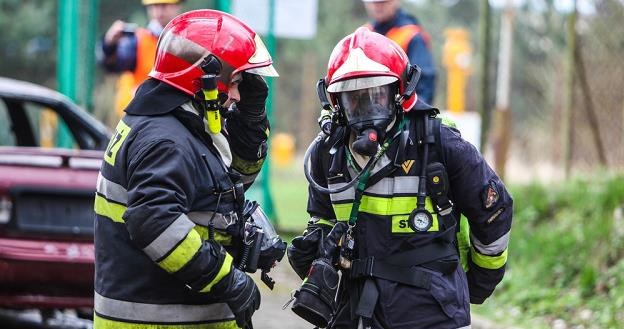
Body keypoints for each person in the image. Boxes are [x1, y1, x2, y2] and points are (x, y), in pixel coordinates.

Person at [287, 27, 512, 329]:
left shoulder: (440, 143)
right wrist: (314, 253)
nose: (366, 109)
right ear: (335, 103)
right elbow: (325, 220)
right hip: (356, 312)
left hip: (432, 312)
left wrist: (478, 285)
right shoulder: (327, 154)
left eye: (375, 95)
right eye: (355, 99)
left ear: (399, 92)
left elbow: (494, 214)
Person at [93, 9, 281, 329]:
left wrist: (249, 125)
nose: (237, 94)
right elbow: (155, 221)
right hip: (160, 319)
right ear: (203, 79)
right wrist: (226, 279)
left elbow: (227, 185)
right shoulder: (166, 140)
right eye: (233, 81)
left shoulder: (181, 124)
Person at [98, 0, 184, 119]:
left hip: (173, 115)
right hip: (138, 116)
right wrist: (109, 45)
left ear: (177, 6)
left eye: (164, 5)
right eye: (154, 6)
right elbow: (111, 64)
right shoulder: (137, 40)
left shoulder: (186, 40)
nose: (159, 11)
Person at [362, 0, 437, 105]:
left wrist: (415, 115)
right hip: (368, 111)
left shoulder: (411, 35)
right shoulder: (364, 34)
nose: (377, 6)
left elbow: (424, 84)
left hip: (402, 111)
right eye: (374, 2)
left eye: (383, 2)